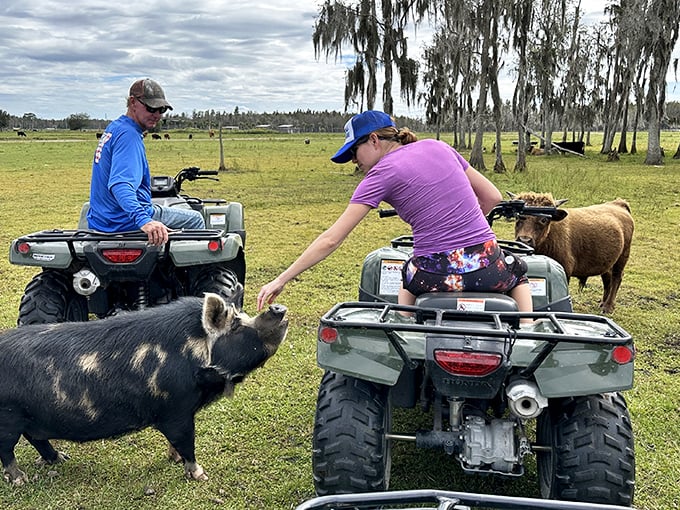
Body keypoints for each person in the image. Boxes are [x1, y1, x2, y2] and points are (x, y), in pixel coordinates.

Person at [257, 110, 532, 316]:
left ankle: (405, 329)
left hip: (432, 276)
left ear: (374, 140)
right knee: (518, 271)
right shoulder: (439, 147)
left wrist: (281, 279)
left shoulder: (378, 175)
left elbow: (332, 239)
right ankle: (528, 330)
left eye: (354, 151)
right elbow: (493, 198)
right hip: (489, 269)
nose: (354, 160)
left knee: (409, 272)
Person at [87, 78, 205, 246]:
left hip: (102, 221)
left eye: (162, 109)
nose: (157, 115)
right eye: (151, 108)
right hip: (124, 221)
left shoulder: (115, 128)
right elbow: (120, 184)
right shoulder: (129, 135)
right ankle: (194, 271)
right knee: (195, 219)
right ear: (133, 102)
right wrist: (144, 220)